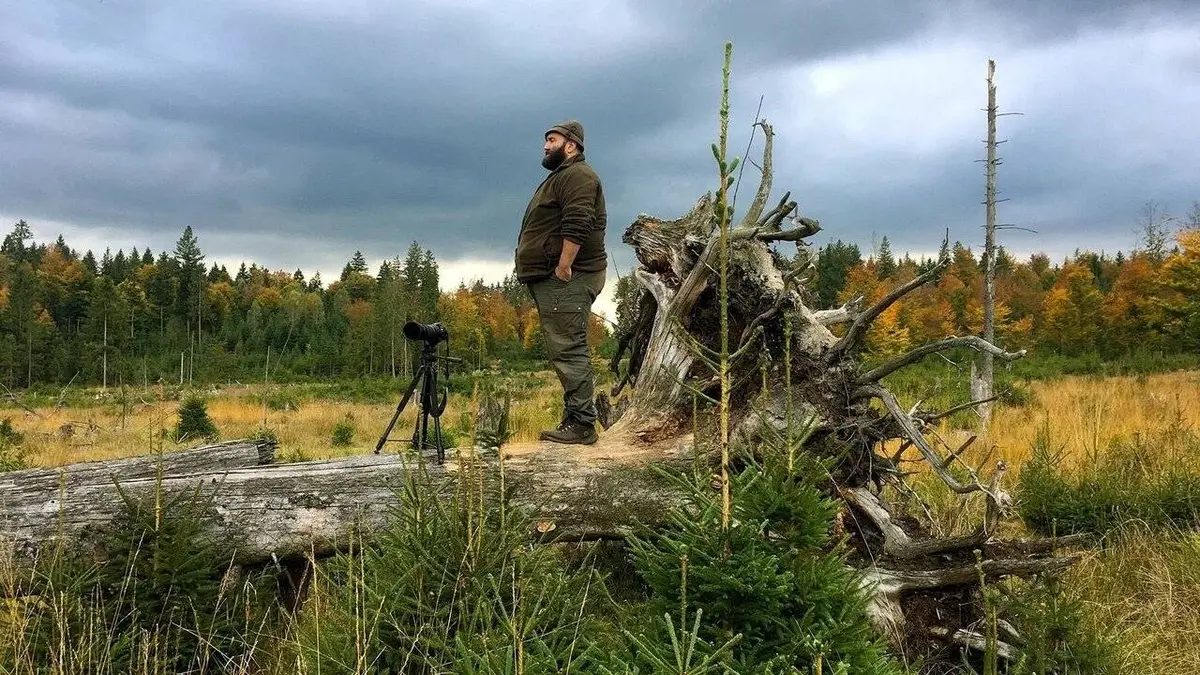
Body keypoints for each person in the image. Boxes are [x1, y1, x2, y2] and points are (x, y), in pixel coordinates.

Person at [513, 120, 608, 445]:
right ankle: (575, 419)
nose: (545, 146)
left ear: (571, 145)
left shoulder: (579, 175)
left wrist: (564, 266)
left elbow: (578, 220)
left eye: (551, 140)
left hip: (570, 276)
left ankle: (581, 424)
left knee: (568, 348)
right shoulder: (563, 176)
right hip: (557, 277)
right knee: (564, 347)